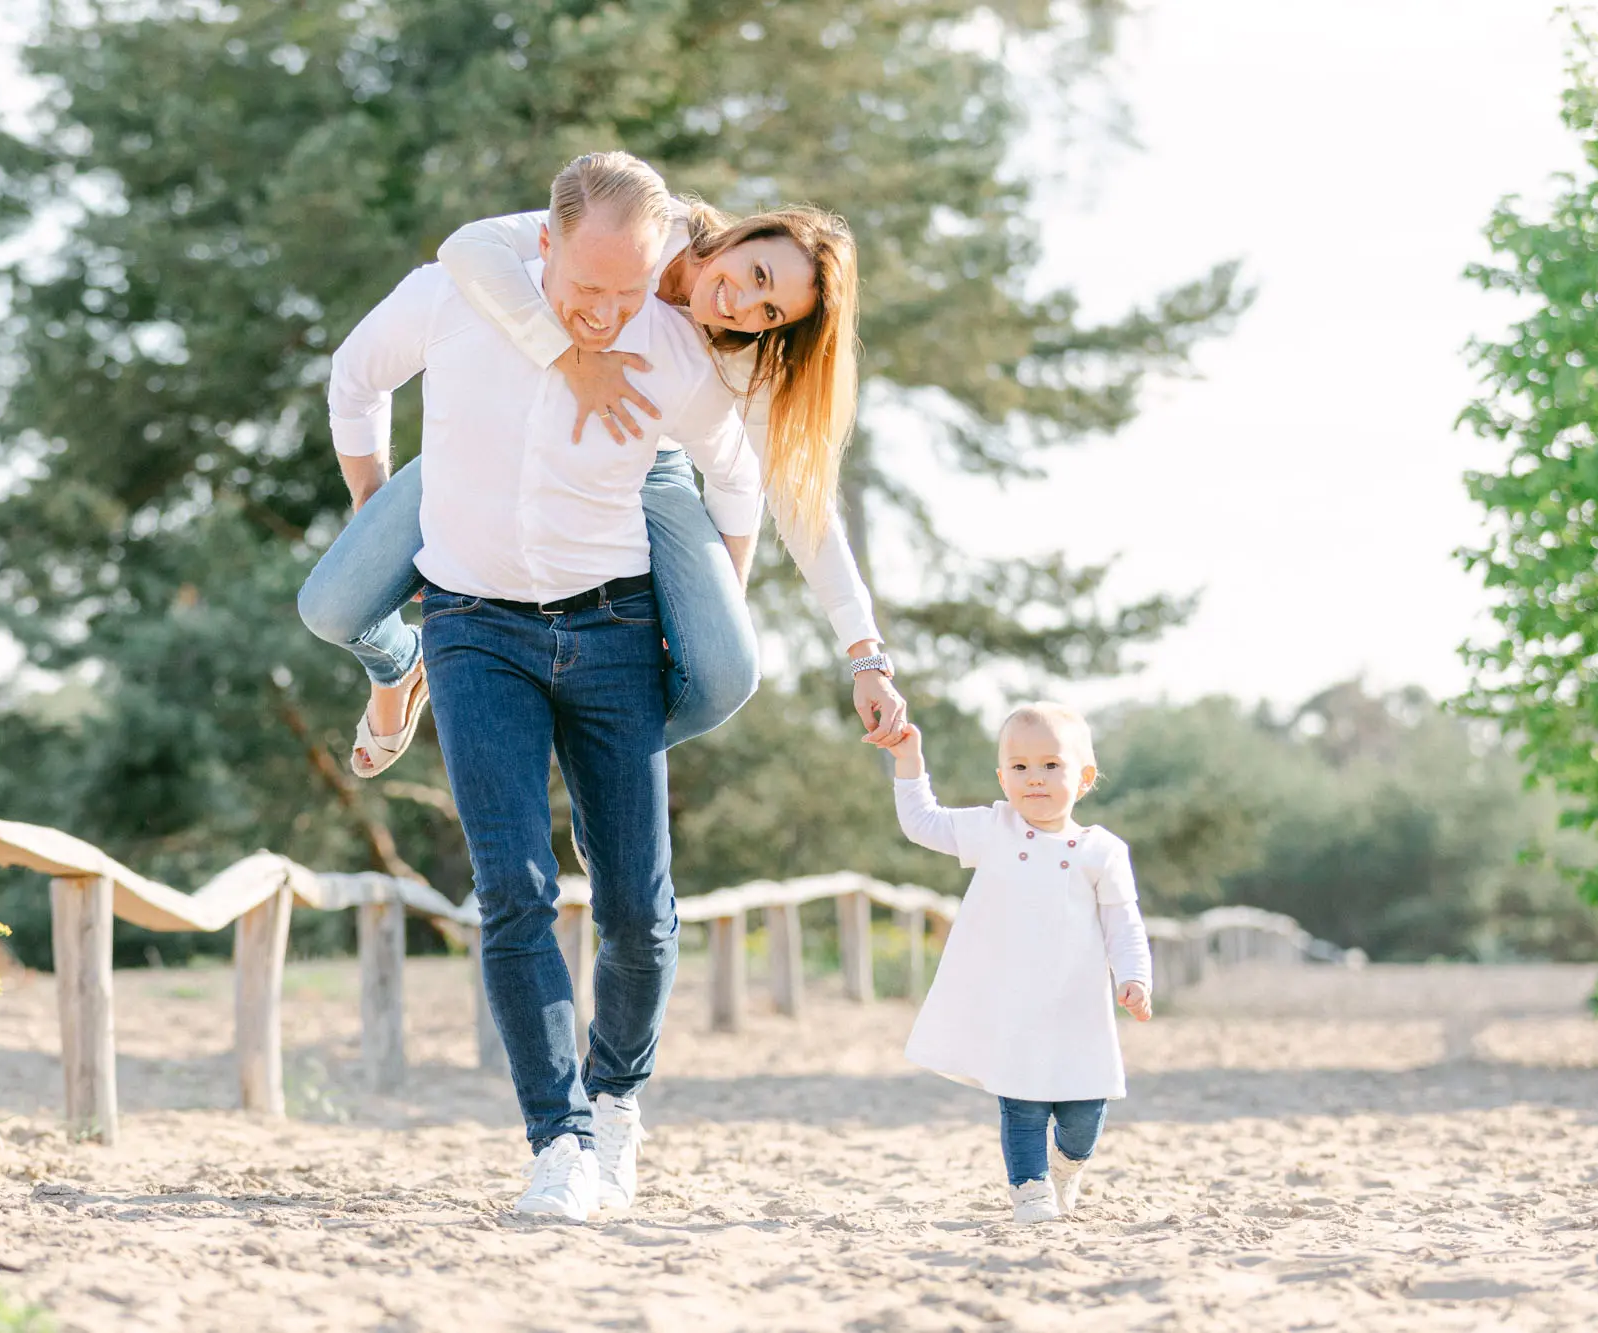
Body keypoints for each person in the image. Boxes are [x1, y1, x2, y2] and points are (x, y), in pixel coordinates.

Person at [323, 152, 763, 1220]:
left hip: (611, 631)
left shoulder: (669, 350)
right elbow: (354, 375)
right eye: (585, 290)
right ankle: (555, 1138)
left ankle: (614, 1104)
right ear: (543, 246)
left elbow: (735, 472)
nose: (606, 313)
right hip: (473, 632)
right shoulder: (457, 300)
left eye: (627, 289)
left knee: (637, 912)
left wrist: (724, 595)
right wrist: (387, 512)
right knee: (513, 890)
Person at [298, 189, 907, 779]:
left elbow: (793, 505)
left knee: (724, 673)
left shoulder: (745, 356)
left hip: (649, 469)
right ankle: (403, 667)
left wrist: (862, 654)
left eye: (770, 313)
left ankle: (607, 780)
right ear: (748, 233)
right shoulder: (648, 221)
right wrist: (570, 359)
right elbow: (472, 248)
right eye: (759, 275)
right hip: (502, 440)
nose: (744, 305)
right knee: (332, 608)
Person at [887, 703, 1154, 1224]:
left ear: (1085, 778)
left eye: (1051, 765)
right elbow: (922, 822)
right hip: (1013, 1008)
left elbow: (1125, 925)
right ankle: (1030, 1192)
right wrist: (909, 760)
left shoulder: (1101, 851)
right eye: (1020, 767)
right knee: (1023, 1108)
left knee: (1084, 1115)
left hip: (1080, 1010)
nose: (1035, 779)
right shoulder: (996, 829)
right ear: (1002, 777)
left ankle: (1065, 1168)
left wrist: (1135, 977)